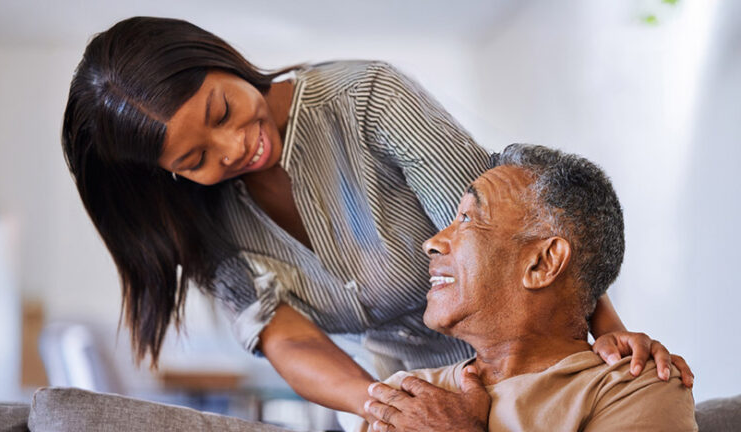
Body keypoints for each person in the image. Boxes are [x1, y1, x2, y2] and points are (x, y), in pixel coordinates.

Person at [61, 16, 692, 421]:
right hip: (405, 391)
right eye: (195, 158)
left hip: (529, 366)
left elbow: (512, 229)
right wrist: (391, 407)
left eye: (223, 110)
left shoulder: (366, 99)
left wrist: (610, 336)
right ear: (168, 173)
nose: (233, 149)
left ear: (220, 59)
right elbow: (290, 339)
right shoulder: (203, 222)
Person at [363, 144, 698, 431]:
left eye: (467, 218)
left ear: (543, 263)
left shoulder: (636, 387)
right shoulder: (402, 398)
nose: (432, 243)